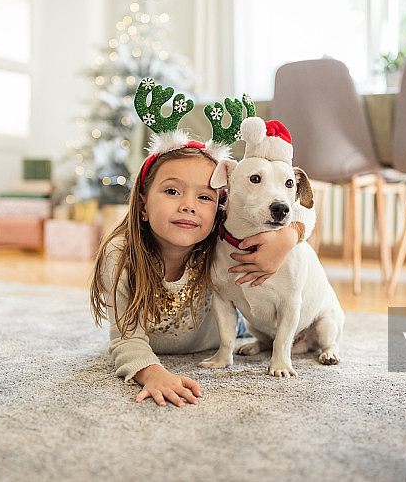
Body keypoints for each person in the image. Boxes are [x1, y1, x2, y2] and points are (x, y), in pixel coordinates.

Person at [89, 143, 315, 407]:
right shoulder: (121, 257)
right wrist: (152, 373)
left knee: (246, 316)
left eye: (205, 197)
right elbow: (126, 338)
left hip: (231, 326)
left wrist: (289, 237)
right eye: (172, 191)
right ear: (143, 206)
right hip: (204, 329)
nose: (188, 206)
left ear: (222, 205)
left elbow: (304, 210)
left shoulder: (215, 238)